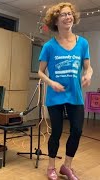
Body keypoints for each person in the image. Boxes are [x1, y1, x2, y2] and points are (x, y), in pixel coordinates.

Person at [38, 2, 93, 180]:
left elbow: (88, 68)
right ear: (56, 20)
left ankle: (66, 166)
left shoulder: (82, 43)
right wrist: (51, 82)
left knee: (77, 130)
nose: (68, 17)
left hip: (75, 95)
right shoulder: (49, 46)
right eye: (63, 14)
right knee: (56, 132)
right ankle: (51, 167)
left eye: (70, 14)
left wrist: (88, 75)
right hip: (55, 96)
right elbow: (40, 71)